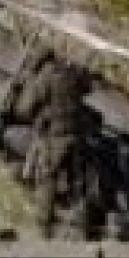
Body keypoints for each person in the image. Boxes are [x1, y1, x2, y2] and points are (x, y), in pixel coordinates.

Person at [13, 55, 102, 239]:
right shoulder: (75, 72)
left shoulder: (46, 75)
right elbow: (88, 86)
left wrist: (28, 86)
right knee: (78, 186)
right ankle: (81, 229)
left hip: (53, 140)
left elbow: (23, 109)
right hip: (77, 138)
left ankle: (43, 232)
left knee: (46, 182)